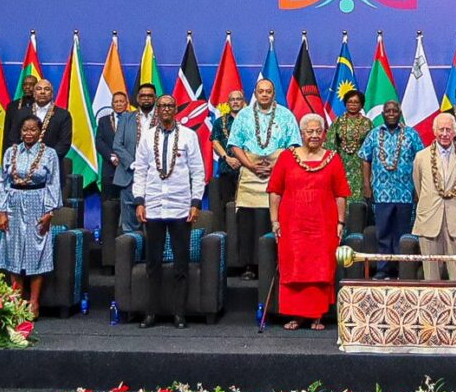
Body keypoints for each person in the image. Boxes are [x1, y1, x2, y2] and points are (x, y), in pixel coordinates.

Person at [268, 114, 350, 329]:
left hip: (323, 225)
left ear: (324, 134)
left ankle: (317, 316)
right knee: (294, 266)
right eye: (309, 132)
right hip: (292, 225)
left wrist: (340, 223)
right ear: (302, 134)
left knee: (320, 267)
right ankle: (295, 315)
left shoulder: (333, 158)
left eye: (318, 131)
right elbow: (275, 191)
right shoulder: (287, 157)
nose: (314, 135)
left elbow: (340, 194)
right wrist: (274, 221)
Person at [131, 97, 207, 328]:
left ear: (175, 110)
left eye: (170, 106)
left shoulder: (188, 136)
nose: (165, 110)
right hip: (153, 206)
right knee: (152, 263)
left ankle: (179, 313)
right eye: (161, 106)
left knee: (180, 264)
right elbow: (140, 170)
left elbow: (198, 171)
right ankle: (151, 312)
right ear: (157, 110)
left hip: (180, 207)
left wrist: (195, 203)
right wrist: (140, 201)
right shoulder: (147, 136)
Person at [221, 79, 300, 280]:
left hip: (278, 169)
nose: (264, 95)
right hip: (250, 169)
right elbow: (234, 145)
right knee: (247, 221)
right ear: (255, 93)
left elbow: (294, 145)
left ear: (274, 94)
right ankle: (249, 265)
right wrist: (249, 165)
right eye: (261, 91)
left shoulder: (286, 115)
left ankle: (275, 263)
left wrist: (277, 166)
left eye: (268, 91)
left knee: (275, 218)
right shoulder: (244, 115)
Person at [0, 116, 63, 309]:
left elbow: (53, 182)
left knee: (36, 250)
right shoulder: (11, 152)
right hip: (14, 203)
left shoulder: (49, 154)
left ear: (40, 132)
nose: (29, 133)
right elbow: (3, 182)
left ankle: (33, 302)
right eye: (25, 130)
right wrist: (2, 211)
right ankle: (16, 300)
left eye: (33, 130)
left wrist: (50, 212)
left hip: (38, 202)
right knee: (13, 249)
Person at [357, 101, 419, 278]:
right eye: (388, 111)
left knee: (402, 233)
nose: (391, 113)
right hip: (382, 193)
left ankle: (402, 269)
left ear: (400, 113)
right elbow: (365, 159)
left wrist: (418, 188)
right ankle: (383, 268)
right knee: (382, 233)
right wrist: (367, 185)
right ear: (383, 114)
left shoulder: (411, 134)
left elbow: (421, 159)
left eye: (395, 110)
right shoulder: (374, 134)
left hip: (406, 192)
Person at [413, 116, 456, 281]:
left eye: (449, 130)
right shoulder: (421, 157)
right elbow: (419, 187)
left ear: (455, 132)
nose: (445, 134)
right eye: (441, 129)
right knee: (431, 276)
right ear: (434, 131)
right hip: (429, 220)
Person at [96, 86, 149, 255]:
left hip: (154, 177)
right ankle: (131, 260)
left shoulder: (160, 118)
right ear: (137, 99)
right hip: (128, 174)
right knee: (129, 223)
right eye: (142, 96)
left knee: (153, 222)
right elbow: (116, 145)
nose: (146, 99)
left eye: (150, 96)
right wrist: (132, 164)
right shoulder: (126, 118)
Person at [328, 89, 372, 200]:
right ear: (345, 104)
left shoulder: (367, 123)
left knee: (358, 200)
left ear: (361, 105)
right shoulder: (338, 121)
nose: (352, 105)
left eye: (356, 102)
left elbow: (372, 147)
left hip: (361, 166)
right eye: (349, 102)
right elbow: (330, 145)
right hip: (341, 165)